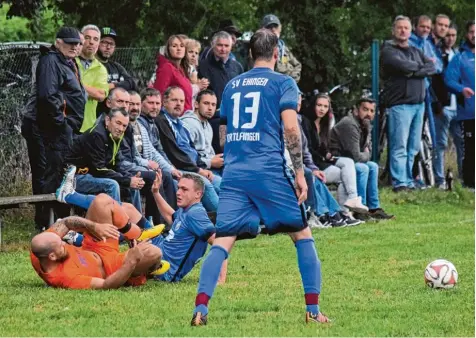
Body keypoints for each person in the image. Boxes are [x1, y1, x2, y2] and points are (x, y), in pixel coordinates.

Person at [190, 29, 330, 326]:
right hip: (268, 172)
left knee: (223, 242)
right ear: (276, 54)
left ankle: (200, 310)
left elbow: (224, 132)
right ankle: (313, 311)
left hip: (235, 173)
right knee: (302, 235)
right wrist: (300, 173)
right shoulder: (283, 83)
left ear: (250, 54)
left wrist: (233, 157)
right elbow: (292, 130)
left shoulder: (231, 85)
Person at [30, 193, 168, 289]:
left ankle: (136, 234)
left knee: (102, 200)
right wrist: (131, 260)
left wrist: (94, 226)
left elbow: (66, 223)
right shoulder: (65, 277)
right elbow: (106, 285)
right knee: (154, 253)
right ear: (52, 256)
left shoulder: (42, 244)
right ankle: (145, 271)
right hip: (111, 268)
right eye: (61, 245)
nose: (64, 243)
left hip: (93, 246)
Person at [22, 26, 86, 228]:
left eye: (77, 43)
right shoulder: (50, 61)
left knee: (57, 173)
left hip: (57, 129)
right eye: (69, 43)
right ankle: (45, 224)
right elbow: (47, 96)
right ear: (58, 42)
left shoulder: (68, 61)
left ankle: (56, 222)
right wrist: (63, 124)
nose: (74, 47)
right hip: (44, 127)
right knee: (46, 175)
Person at [380, 15, 436, 191]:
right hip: (400, 105)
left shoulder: (415, 50)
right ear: (393, 30)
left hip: (418, 105)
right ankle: (399, 182)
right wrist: (419, 69)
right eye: (400, 28)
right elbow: (402, 66)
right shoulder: (389, 50)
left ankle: (408, 179)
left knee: (412, 147)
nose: (403, 31)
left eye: (406, 28)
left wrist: (414, 71)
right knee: (399, 146)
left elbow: (432, 67)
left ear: (410, 31)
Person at [150, 171, 227, 282]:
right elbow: (170, 216)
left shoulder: (195, 214)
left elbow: (220, 244)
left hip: (163, 270)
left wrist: (221, 280)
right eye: (179, 188)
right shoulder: (186, 209)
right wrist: (156, 192)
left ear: (198, 194)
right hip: (158, 252)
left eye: (184, 189)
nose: (178, 192)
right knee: (131, 213)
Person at [300, 93, 368, 213]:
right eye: (319, 105)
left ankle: (351, 201)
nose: (322, 109)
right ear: (313, 105)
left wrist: (327, 154)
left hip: (323, 160)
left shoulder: (324, 124)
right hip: (314, 165)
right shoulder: (306, 122)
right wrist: (322, 157)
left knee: (348, 162)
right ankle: (344, 211)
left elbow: (321, 147)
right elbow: (308, 149)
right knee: (344, 175)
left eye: (325, 106)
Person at [156, 86, 221, 212]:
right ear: (164, 102)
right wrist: (198, 169)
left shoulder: (179, 124)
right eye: (174, 100)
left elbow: (192, 151)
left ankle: (235, 217)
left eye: (181, 101)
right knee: (204, 183)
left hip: (193, 167)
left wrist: (201, 167)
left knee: (220, 182)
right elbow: (174, 154)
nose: (179, 104)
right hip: (177, 168)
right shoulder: (162, 121)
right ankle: (226, 220)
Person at [329, 99, 394, 221]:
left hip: (349, 161)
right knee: (363, 167)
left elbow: (365, 151)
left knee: (373, 166)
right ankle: (360, 210)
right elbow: (357, 156)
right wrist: (366, 154)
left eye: (372, 111)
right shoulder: (349, 123)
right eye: (365, 109)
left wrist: (365, 153)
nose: (369, 114)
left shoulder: (366, 124)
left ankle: (373, 208)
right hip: (336, 161)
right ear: (356, 110)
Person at [198, 31, 244, 153]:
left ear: (231, 46)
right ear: (213, 45)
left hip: (236, 117)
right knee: (223, 150)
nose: (223, 49)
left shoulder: (237, 67)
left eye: (226, 45)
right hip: (215, 117)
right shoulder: (203, 66)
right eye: (219, 45)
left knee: (238, 150)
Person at [432, 23, 463, 188]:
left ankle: (464, 178)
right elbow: (435, 81)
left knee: (462, 143)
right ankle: (440, 180)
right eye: (448, 35)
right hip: (443, 107)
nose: (450, 38)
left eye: (453, 35)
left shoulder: (458, 55)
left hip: (458, 107)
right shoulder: (437, 54)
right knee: (440, 144)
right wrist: (438, 102)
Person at [445, 20, 475, 189]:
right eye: (471, 32)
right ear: (466, 34)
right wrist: (461, 89)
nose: (474, 35)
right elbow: (449, 80)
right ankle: (470, 184)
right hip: (469, 113)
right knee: (470, 150)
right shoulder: (460, 58)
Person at [96, 27, 138, 115]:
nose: (108, 47)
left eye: (111, 44)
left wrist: (112, 85)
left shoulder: (116, 67)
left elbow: (132, 82)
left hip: (116, 116)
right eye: (104, 42)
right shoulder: (91, 65)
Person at [181, 90, 224, 174]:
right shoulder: (189, 124)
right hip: (195, 170)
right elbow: (185, 155)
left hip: (208, 167)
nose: (210, 108)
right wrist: (210, 162)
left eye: (213, 104)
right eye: (206, 103)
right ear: (196, 104)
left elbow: (208, 152)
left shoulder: (207, 125)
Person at [76, 24, 109, 132]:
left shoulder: (101, 69)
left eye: (95, 39)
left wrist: (75, 84)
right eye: (87, 38)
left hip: (87, 125)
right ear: (80, 40)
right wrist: (91, 90)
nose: (91, 42)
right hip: (65, 121)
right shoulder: (70, 61)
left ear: (98, 43)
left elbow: (100, 95)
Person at [153, 34, 193, 112]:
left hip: (185, 114)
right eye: (174, 46)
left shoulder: (182, 69)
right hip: (174, 116)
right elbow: (159, 93)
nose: (179, 49)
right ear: (168, 49)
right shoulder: (167, 68)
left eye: (182, 46)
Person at [261, 14, 302, 82]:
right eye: (269, 27)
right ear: (263, 30)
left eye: (275, 26)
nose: (273, 29)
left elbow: (297, 65)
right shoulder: (259, 48)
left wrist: (292, 79)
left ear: (280, 28)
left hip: (287, 84)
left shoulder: (284, 48)